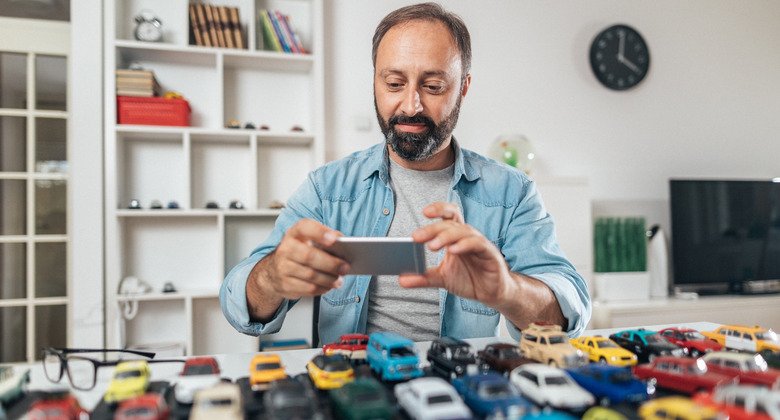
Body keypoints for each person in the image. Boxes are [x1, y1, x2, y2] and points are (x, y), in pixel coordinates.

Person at [220, 2, 590, 345]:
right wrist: (272, 277)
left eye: (432, 86)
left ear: (463, 88)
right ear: (375, 83)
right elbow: (240, 305)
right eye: (394, 84)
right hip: (352, 386)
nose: (411, 105)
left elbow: (569, 309)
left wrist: (507, 290)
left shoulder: (512, 192)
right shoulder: (327, 189)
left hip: (460, 393)